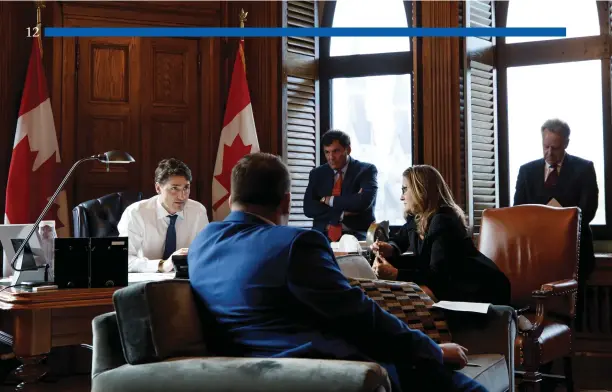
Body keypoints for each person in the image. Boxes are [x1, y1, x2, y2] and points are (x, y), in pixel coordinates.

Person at [189, 152, 487, 392]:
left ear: (231, 199)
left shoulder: (202, 242)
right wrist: (431, 349)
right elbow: (359, 315)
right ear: (286, 201)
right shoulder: (295, 243)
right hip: (327, 371)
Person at [371, 165, 511, 306]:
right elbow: (399, 241)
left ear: (420, 190)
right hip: (452, 284)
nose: (401, 197)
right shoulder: (416, 218)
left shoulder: (443, 220)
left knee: (416, 295)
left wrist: (395, 274)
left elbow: (437, 277)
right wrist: (388, 248)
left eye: (405, 189)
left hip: (481, 288)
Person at [514, 118, 598, 285]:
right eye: (546, 147)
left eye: (555, 148)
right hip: (536, 254)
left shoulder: (584, 169)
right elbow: (518, 211)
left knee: (575, 307)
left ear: (566, 143)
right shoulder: (526, 171)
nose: (549, 153)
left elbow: (588, 210)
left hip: (575, 252)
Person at [117, 158, 208, 273]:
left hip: (185, 281)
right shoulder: (135, 213)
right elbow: (124, 259)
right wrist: (162, 265)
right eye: (174, 188)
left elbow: (205, 253)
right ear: (158, 188)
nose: (182, 196)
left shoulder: (198, 211)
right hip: (145, 285)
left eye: (186, 188)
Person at [303, 130, 378, 241]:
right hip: (322, 234)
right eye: (327, 152)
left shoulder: (366, 170)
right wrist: (342, 212)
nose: (331, 157)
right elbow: (309, 209)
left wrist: (328, 200)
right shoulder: (317, 174)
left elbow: (363, 202)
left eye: (336, 151)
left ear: (348, 150)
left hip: (356, 235)